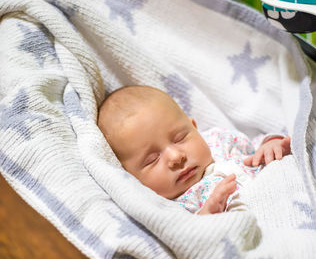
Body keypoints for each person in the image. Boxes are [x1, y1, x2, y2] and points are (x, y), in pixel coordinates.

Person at [97, 85, 291, 215]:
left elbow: (256, 150)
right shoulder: (172, 208)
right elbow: (190, 239)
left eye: (180, 138)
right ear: (130, 177)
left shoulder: (220, 141)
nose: (176, 157)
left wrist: (271, 144)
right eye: (152, 159)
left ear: (194, 127)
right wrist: (208, 214)